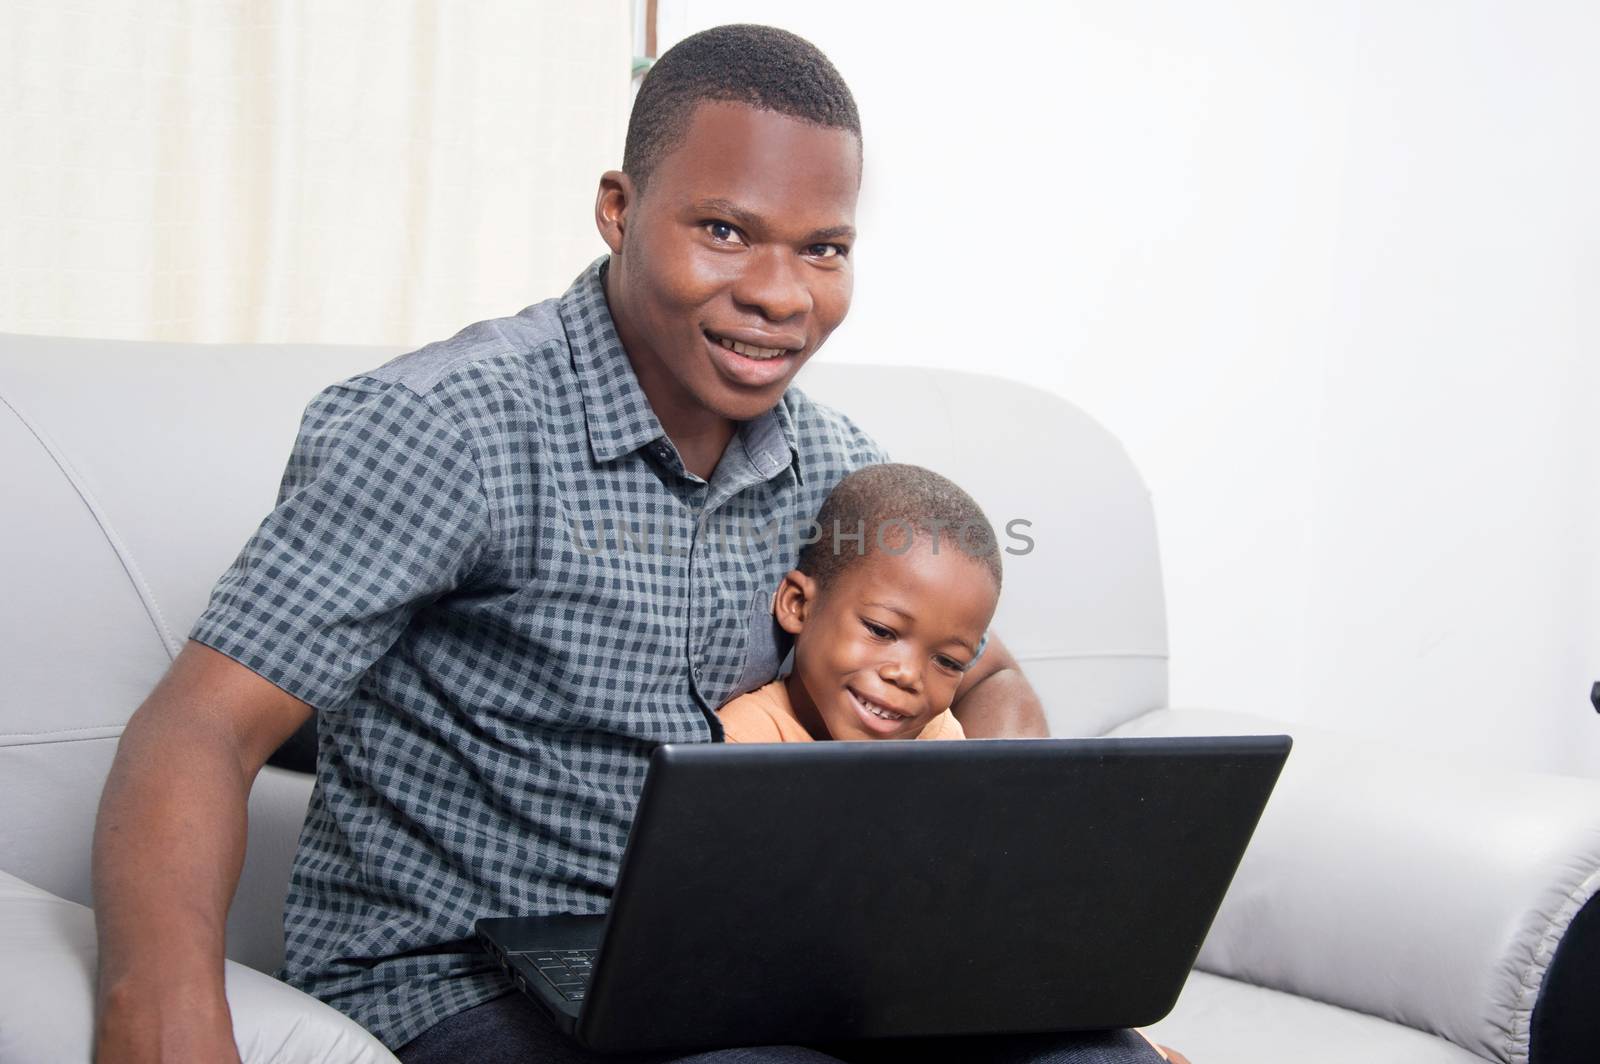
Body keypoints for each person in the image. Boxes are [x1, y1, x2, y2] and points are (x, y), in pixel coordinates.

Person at [90, 24, 1175, 1064]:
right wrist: (165, 1001)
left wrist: (993, 877)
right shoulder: (449, 426)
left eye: (824, 249)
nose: (778, 293)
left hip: (758, 966)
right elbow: (198, 728)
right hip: (467, 978)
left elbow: (979, 665)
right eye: (724, 230)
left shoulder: (842, 470)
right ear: (619, 209)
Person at [719, 464, 993, 745]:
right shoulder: (745, 743)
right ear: (798, 604)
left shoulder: (940, 737)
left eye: (948, 662)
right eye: (881, 631)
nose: (908, 675)